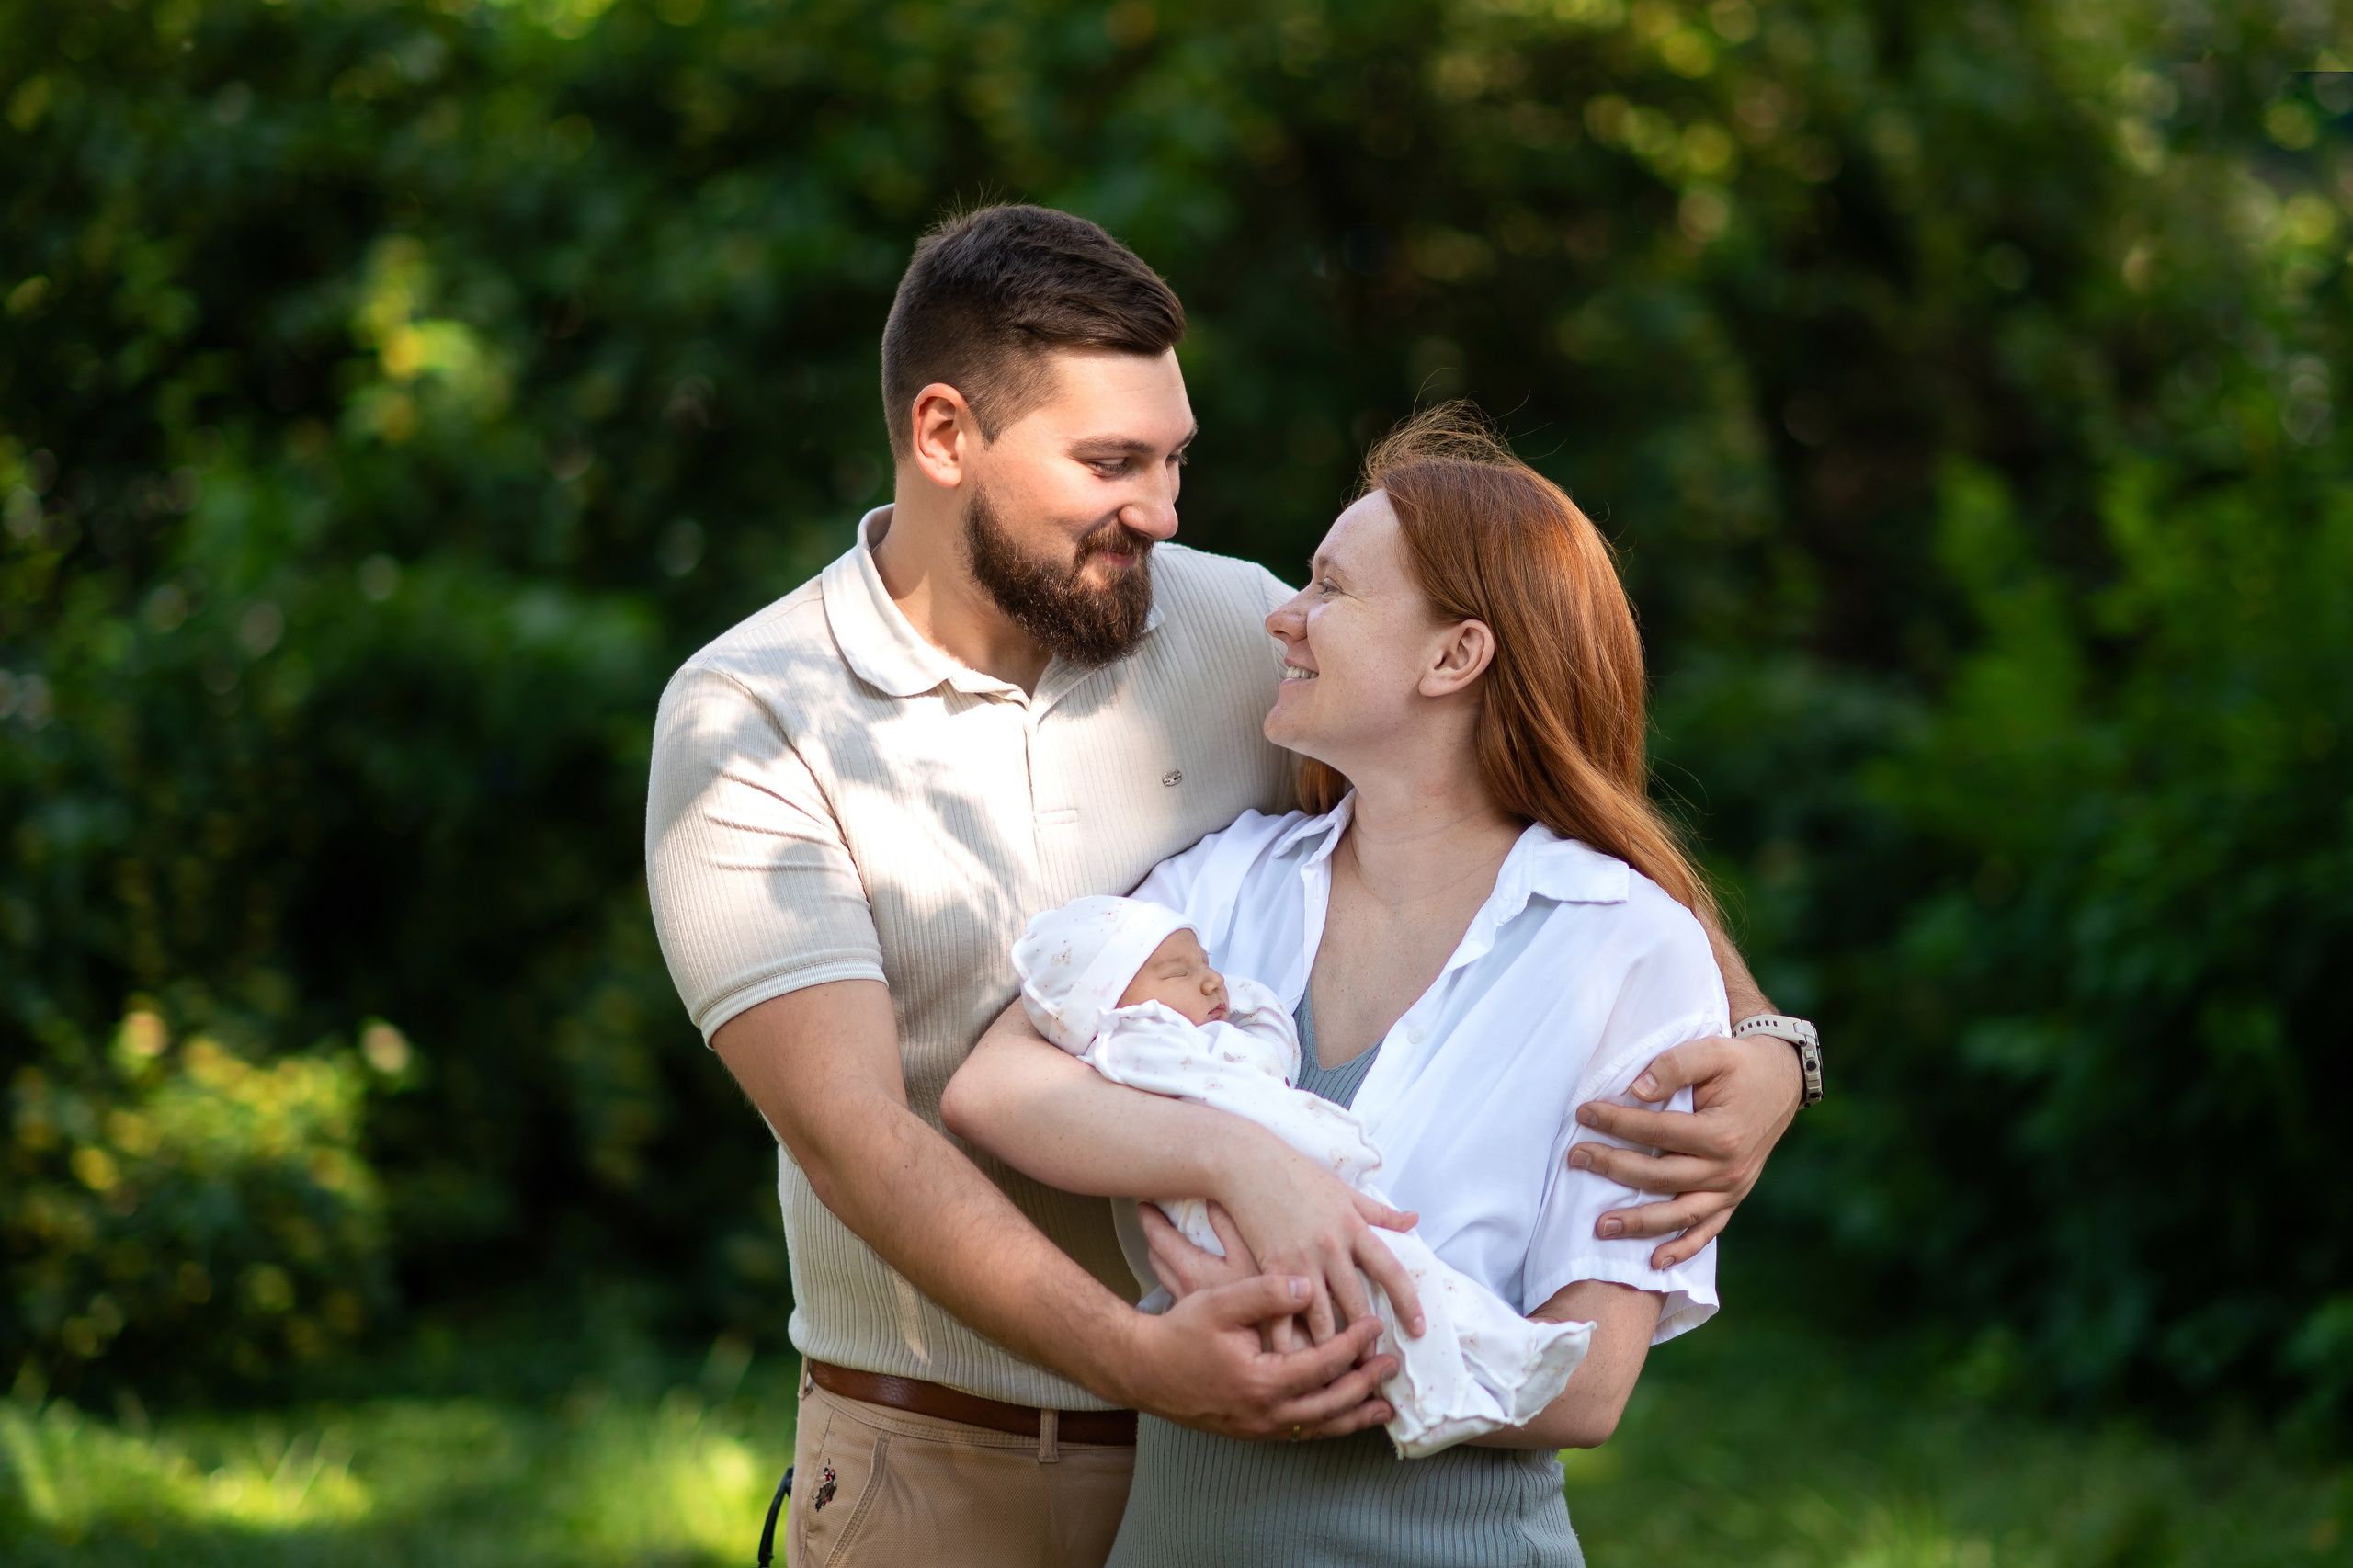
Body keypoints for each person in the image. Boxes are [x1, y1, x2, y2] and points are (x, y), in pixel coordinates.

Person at [644, 203, 1809, 1568]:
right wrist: (1151, 1355)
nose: (1164, 509)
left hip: (1240, 1477)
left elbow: (1540, 824)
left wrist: (1771, 1048)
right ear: (947, 436)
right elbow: (860, 1137)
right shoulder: (750, 713)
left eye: (1175, 458)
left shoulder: (1227, 627)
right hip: (946, 1464)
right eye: (1111, 461)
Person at [942, 409, 1744, 1565]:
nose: (1284, 614)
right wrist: (1238, 1164)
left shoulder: (1625, 947)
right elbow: (994, 1085)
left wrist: (1295, 1362)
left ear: (1452, 656)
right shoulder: (1220, 881)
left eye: (1329, 588)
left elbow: (1588, 1383)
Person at [1011, 893, 1594, 1458]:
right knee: (1381, 1276)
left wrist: (1237, 1001)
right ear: (1112, 1004)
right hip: (1221, 1210)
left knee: (1392, 1272)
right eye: (1178, 972)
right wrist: (1251, 1008)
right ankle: (1466, 1375)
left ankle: (1472, 1367)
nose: (1213, 981)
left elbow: (1269, 1053)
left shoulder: (1182, 1041)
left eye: (1209, 965)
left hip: (1260, 1194)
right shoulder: (1134, 1047)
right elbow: (1263, 1063)